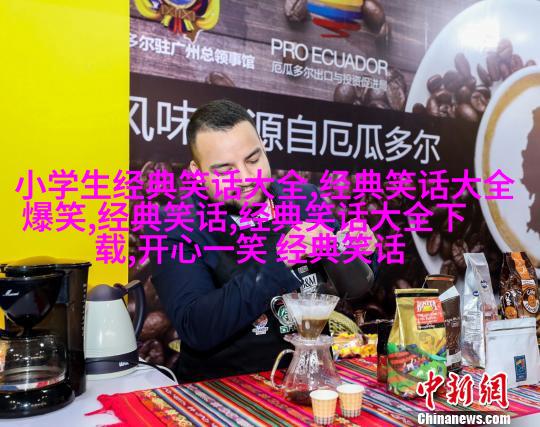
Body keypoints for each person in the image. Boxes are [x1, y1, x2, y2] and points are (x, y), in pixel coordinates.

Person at [149, 99, 375, 383]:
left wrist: (358, 253)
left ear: (264, 148)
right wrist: (281, 261)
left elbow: (354, 287)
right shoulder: (176, 225)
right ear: (197, 172)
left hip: (313, 380)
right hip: (223, 389)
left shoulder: (303, 199)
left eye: (253, 160)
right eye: (225, 170)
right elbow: (197, 327)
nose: (246, 178)